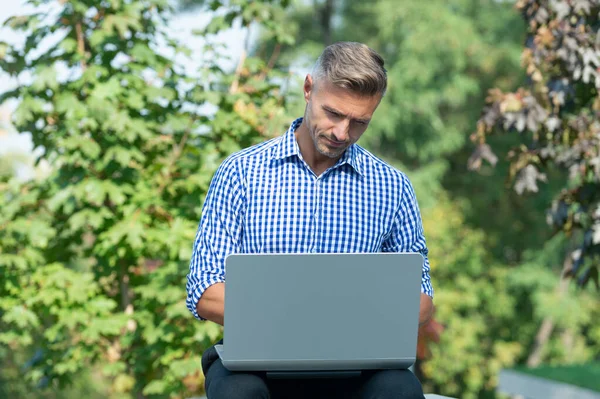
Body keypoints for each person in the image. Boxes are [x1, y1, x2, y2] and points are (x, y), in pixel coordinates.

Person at [186, 41, 434, 399]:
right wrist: (306, 316)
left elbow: (422, 299)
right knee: (237, 393)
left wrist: (325, 319)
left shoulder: (393, 187)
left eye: (359, 122)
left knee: (400, 389)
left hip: (359, 368)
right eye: (333, 113)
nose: (341, 133)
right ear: (307, 89)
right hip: (258, 366)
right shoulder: (240, 173)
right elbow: (204, 290)